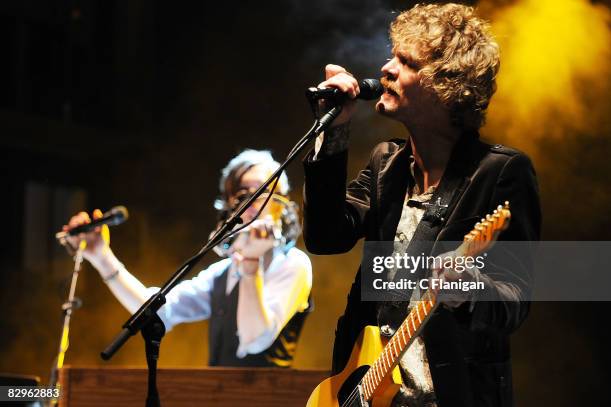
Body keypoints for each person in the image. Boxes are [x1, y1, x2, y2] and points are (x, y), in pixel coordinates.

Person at [302, 3, 540, 406]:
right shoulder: (385, 164)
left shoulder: (500, 173)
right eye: (392, 55)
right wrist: (334, 131)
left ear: (447, 85)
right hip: (366, 390)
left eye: (406, 62)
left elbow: (514, 301)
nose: (386, 69)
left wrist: (468, 289)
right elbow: (326, 236)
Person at [64, 149, 312, 367]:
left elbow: (255, 339)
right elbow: (159, 311)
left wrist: (250, 263)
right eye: (242, 193)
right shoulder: (223, 272)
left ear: (281, 203)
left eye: (263, 190)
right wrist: (101, 256)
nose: (252, 202)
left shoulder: (293, 263)